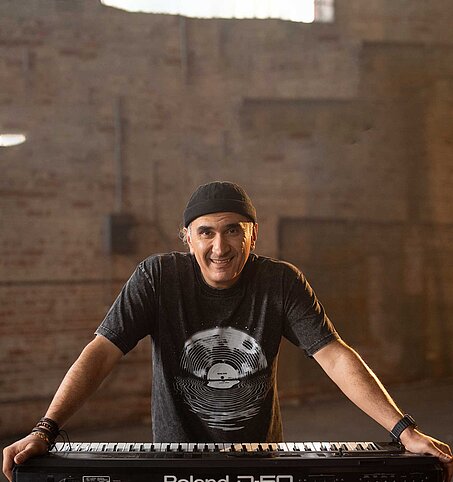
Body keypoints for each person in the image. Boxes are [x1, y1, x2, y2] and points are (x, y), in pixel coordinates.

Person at [3, 181, 452, 482]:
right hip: (174, 463)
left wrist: (403, 430)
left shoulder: (280, 282)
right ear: (187, 238)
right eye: (206, 233)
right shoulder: (158, 278)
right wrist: (45, 429)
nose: (220, 247)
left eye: (233, 231)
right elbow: (102, 351)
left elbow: (333, 355)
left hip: (260, 461)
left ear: (253, 235)